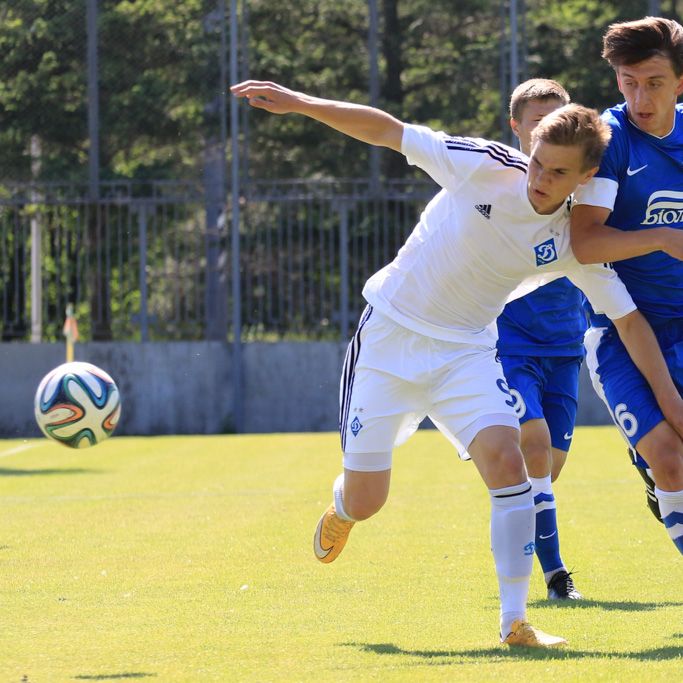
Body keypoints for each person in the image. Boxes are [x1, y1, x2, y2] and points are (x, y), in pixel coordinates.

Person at [231, 79, 683, 647]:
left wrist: (668, 398)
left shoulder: (574, 239)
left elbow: (626, 319)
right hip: (389, 341)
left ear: (586, 178)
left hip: (465, 353)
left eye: (557, 173)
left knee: (510, 463)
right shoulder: (483, 164)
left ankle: (515, 622)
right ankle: (343, 506)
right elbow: (387, 131)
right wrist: (302, 104)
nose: (539, 180)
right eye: (537, 163)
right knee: (369, 500)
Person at [571, 16, 683, 552]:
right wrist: (661, 238)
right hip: (622, 330)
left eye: (654, 82)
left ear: (681, 83)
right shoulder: (610, 140)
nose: (640, 96)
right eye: (628, 81)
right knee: (670, 458)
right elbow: (586, 243)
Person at [496, 79, 585, 601]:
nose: (547, 132)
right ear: (517, 128)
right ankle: (555, 575)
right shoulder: (503, 187)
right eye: (536, 123)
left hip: (566, 345)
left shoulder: (581, 184)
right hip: (510, 343)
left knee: (549, 465)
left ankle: (513, 513)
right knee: (531, 445)